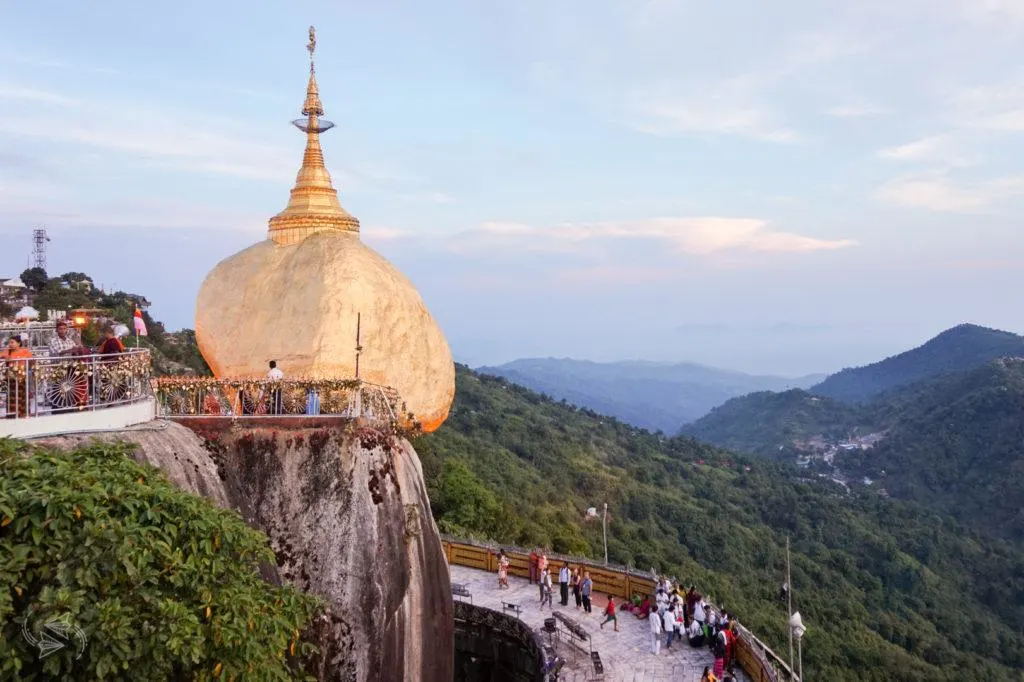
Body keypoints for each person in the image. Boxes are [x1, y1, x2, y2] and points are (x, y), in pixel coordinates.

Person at [2, 336, 33, 418]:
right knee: (12, 398)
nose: (10, 344)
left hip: (22, 378)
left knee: (23, 397)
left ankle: (24, 414)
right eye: (9, 342)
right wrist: (6, 358)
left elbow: (32, 361)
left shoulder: (25, 351)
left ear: (18, 343)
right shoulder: (7, 351)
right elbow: (2, 357)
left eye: (12, 342)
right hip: (11, 379)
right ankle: (12, 415)